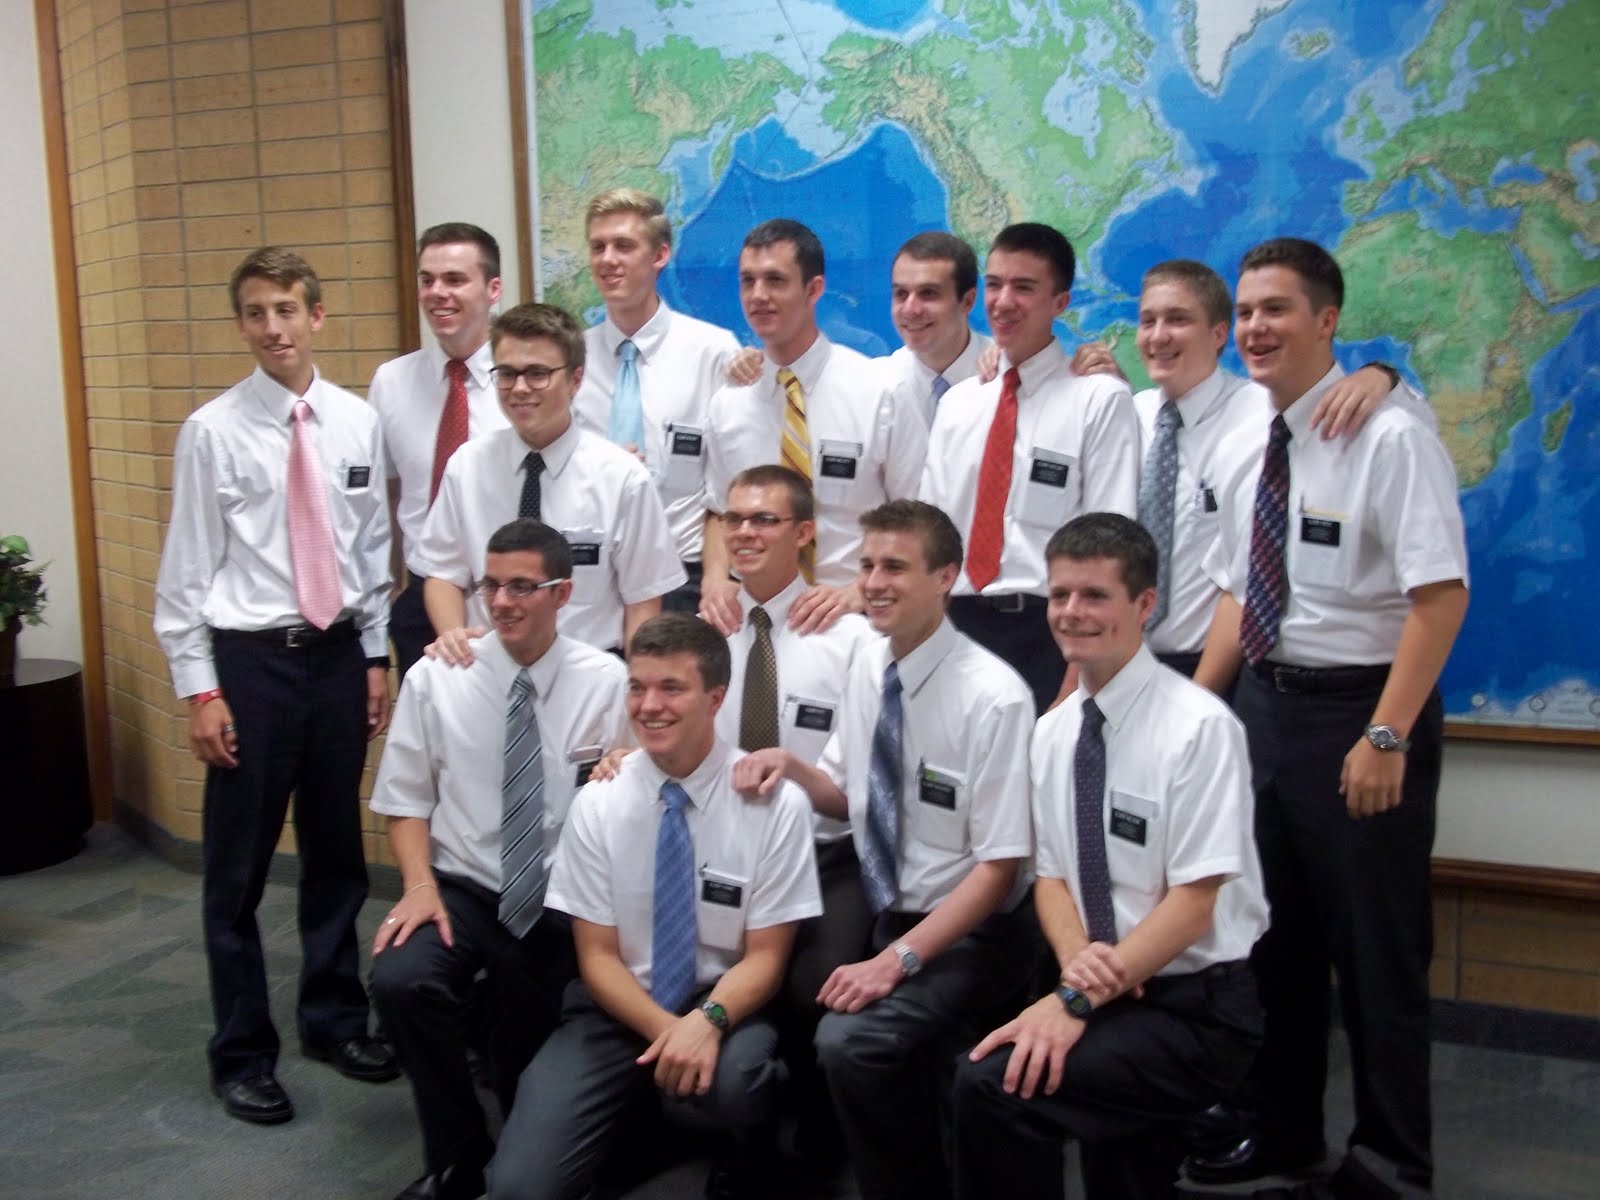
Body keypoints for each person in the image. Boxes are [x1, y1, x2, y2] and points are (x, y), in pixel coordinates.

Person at [1185, 238, 1469, 1196]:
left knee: (1378, 956)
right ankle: (1283, 1131)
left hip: (1363, 714)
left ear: (1327, 320)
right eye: (1246, 311)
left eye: (1277, 309)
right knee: (1274, 942)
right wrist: (1199, 711)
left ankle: (1391, 1162)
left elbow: (1440, 598)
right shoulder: (1249, 440)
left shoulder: (1390, 436)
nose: (1256, 328)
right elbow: (1238, 590)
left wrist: (1386, 735)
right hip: (1267, 709)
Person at [950, 513, 1268, 1199]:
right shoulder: (1053, 732)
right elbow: (1053, 878)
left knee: (994, 1086)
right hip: (1105, 982)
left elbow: (1194, 904)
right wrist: (1077, 963)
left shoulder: (1199, 728)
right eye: (1060, 594)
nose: (1072, 612)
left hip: (1191, 1007)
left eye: (1095, 595)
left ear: (1144, 604)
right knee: (1123, 1175)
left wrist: (1075, 997)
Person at [154, 246, 397, 1125]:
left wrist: (374, 658)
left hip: (335, 660)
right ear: (242, 325)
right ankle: (242, 1052)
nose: (273, 328)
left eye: (287, 310)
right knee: (239, 871)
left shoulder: (357, 422)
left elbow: (371, 552)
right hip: (250, 665)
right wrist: (201, 691)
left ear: (316, 316)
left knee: (336, 856)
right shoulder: (211, 431)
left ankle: (333, 1020)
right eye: (256, 313)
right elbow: (185, 572)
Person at [733, 499, 1036, 1200]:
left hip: (974, 931)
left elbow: (999, 871)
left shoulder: (995, 698)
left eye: (895, 567)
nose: (872, 583)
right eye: (867, 565)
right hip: (889, 904)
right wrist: (792, 766)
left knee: (849, 1042)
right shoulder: (870, 664)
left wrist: (896, 960)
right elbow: (848, 797)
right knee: (806, 982)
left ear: (946, 577)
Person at [488, 614, 822, 1200]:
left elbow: (767, 958)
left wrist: (705, 1023)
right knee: (518, 1188)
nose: (649, 706)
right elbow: (597, 958)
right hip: (617, 1006)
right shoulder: (599, 801)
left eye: (672, 688)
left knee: (738, 1084)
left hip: (721, 1003)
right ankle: (646, 1119)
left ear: (716, 698)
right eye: (637, 687)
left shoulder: (774, 805)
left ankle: (747, 1154)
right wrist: (671, 1034)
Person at [369, 519, 630, 1200]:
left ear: (562, 593)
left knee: (529, 1071)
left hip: (560, 901)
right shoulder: (437, 676)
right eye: (491, 586)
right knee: (401, 979)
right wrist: (418, 885)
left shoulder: (607, 681)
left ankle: (528, 1130)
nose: (502, 602)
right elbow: (404, 799)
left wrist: (625, 769)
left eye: (522, 587)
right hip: (462, 887)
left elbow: (636, 797)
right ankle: (456, 1154)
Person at [1126, 259, 1410, 677]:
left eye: (1178, 319)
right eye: (1148, 321)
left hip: (1223, 663)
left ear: (1219, 334)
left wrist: (1380, 377)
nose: (1158, 335)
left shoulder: (1262, 413)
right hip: (1128, 659)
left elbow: (1351, 403)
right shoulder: (1130, 414)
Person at [714, 464, 878, 1160]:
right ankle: (734, 1118)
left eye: (765, 520)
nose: (745, 533)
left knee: (818, 982)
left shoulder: (851, 640)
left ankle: (818, 1126)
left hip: (823, 854)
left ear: (805, 533)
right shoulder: (706, 633)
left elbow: (854, 795)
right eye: (735, 519)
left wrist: (794, 769)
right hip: (727, 853)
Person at [920, 222, 1140, 714]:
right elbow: (931, 539)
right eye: (995, 285)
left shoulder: (1098, 400)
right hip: (956, 628)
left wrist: (1076, 682)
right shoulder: (958, 404)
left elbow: (1112, 545)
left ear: (1060, 302)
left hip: (1050, 635)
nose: (1003, 302)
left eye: (1023, 287)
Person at [417, 302, 683, 660]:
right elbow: (442, 573)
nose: (519, 388)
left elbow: (643, 600)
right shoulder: (467, 466)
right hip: (489, 668)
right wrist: (454, 637)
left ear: (575, 380)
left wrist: (632, 681)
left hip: (587, 675)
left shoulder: (622, 477)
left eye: (537, 373)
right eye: (507, 373)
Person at [702, 219, 927, 637]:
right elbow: (718, 511)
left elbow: (919, 518)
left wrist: (860, 591)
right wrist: (715, 578)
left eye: (775, 280)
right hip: (755, 623)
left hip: (855, 620)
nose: (758, 295)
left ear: (814, 289)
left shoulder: (879, 392)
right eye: (748, 281)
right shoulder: (728, 404)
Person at [572, 189, 740, 614]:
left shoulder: (712, 352)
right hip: (591, 579)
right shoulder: (570, 360)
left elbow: (727, 487)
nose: (608, 259)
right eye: (598, 247)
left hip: (682, 577)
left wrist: (717, 578)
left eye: (624, 246)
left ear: (660, 255)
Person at [370, 223, 508, 678]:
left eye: (454, 279)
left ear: (493, 289)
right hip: (421, 600)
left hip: (506, 597)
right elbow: (386, 496)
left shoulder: (524, 382)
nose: (437, 293)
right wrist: (389, 593)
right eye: (427, 280)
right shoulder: (392, 382)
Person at [877, 231, 993, 427]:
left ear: (967, 301)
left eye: (928, 293)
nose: (910, 309)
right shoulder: (875, 386)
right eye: (901, 294)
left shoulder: (1008, 376)